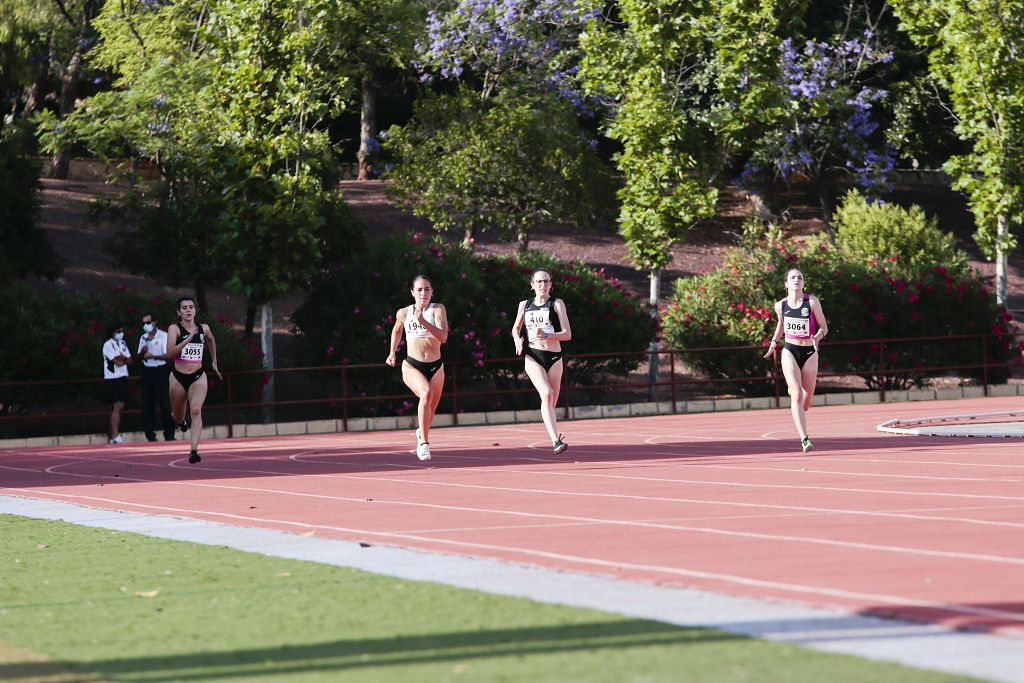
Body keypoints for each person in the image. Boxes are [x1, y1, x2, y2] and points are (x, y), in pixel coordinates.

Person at [763, 268, 829, 453]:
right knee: (797, 395)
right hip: (790, 350)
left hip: (810, 352)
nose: (797, 280)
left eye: (800, 277)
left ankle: (796, 392)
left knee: (806, 403)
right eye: (793, 277)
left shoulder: (812, 302)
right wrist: (774, 342)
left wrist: (817, 337)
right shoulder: (780, 305)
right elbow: (781, 324)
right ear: (786, 283)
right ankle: (804, 438)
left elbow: (824, 327)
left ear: (803, 283)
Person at [386, 275, 449, 461]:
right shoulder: (404, 313)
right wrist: (392, 353)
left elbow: (443, 337)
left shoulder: (438, 309)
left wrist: (423, 321)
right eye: (419, 290)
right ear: (412, 292)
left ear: (432, 291)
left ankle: (421, 432)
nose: (424, 293)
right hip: (412, 365)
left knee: (430, 413)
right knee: (426, 394)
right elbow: (397, 330)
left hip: (436, 366)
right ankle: (424, 444)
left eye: (427, 289)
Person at [511, 269, 572, 454]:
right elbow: (515, 328)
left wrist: (547, 334)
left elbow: (567, 334)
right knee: (546, 394)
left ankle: (549, 424)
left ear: (551, 284)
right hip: (533, 356)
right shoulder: (525, 305)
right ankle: (556, 441)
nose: (542, 285)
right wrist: (517, 340)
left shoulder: (557, 304)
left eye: (546, 281)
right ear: (532, 285)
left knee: (552, 400)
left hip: (554, 357)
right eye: (539, 282)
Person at [163, 296, 222, 464]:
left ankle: (193, 451)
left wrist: (214, 361)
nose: (188, 310)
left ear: (195, 310)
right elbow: (169, 354)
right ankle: (180, 421)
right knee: (178, 416)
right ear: (178, 312)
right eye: (184, 308)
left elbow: (211, 340)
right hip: (178, 377)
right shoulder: (174, 329)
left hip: (198, 376)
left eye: (191, 307)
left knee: (196, 410)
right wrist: (187, 340)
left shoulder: (204, 328)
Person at [137, 313, 175, 442]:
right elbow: (139, 356)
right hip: (147, 371)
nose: (145, 326)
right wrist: (143, 352)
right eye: (143, 323)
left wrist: (154, 356)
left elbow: (168, 355)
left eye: (148, 323)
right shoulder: (143, 338)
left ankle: (169, 434)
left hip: (161, 371)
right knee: (148, 404)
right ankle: (150, 435)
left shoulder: (164, 336)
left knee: (165, 404)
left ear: (154, 322)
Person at [102, 323, 133, 444]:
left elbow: (130, 360)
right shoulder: (107, 345)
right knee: (117, 406)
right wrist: (122, 359)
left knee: (121, 406)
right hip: (113, 378)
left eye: (121, 330)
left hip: (123, 377)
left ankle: (115, 435)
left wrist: (123, 358)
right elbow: (117, 362)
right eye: (118, 331)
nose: (120, 333)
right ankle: (114, 436)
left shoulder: (123, 344)